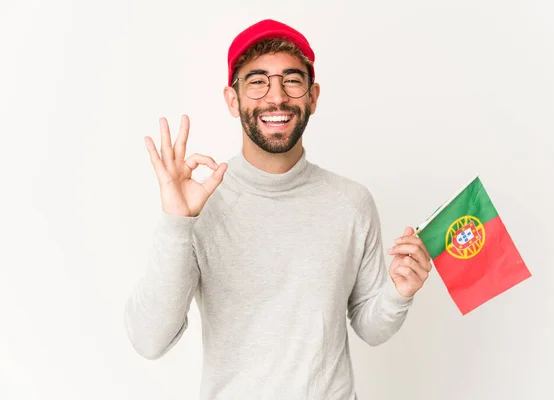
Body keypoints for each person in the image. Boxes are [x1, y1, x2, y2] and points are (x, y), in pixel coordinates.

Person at [124, 19, 432, 400]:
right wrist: (176, 223)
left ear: (313, 97)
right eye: (257, 81)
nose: (276, 97)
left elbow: (370, 326)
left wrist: (399, 292)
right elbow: (149, 341)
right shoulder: (200, 205)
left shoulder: (351, 202)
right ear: (232, 100)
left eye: (291, 80)